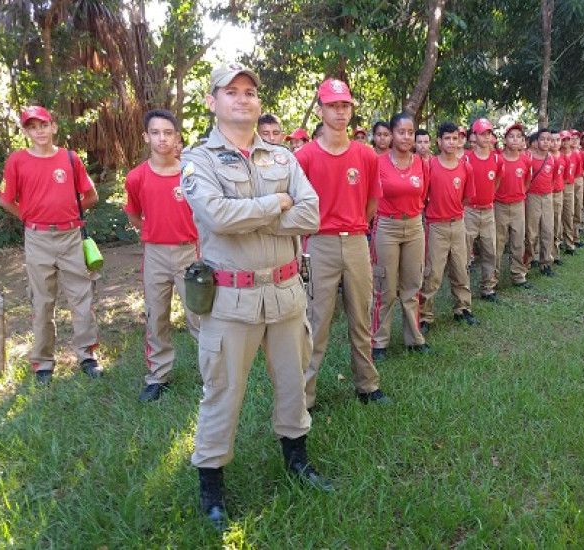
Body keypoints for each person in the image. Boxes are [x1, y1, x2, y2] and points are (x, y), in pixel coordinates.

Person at [181, 63, 329, 531]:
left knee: (293, 382)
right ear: (212, 100)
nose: (242, 99)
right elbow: (217, 216)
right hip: (231, 299)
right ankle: (211, 488)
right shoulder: (199, 160)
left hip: (286, 292)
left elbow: (311, 213)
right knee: (222, 390)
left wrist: (259, 214)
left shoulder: (284, 158)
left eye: (249, 92)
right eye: (231, 91)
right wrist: (275, 204)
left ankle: (297, 461)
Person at [295, 78, 391, 409]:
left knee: (361, 316)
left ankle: (367, 384)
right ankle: (305, 396)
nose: (339, 111)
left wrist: (354, 229)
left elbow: (371, 204)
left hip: (356, 243)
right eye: (333, 105)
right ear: (320, 110)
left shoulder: (366, 156)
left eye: (345, 105)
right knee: (315, 320)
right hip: (318, 243)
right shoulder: (304, 156)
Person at [0, 106, 102, 386]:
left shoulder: (70, 158)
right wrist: (32, 219)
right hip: (38, 239)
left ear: (53, 127)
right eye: (32, 127)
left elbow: (89, 195)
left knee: (82, 299)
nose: (39, 131)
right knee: (42, 302)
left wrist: (67, 215)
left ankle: (87, 356)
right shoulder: (18, 161)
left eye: (43, 125)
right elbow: (6, 200)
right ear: (26, 132)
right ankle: (43, 362)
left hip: (71, 237)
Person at [124, 109, 200, 402]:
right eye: (155, 133)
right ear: (146, 137)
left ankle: (213, 375)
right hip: (155, 254)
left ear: (177, 137)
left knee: (199, 315)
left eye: (168, 133)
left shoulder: (191, 174)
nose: (162, 138)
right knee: (156, 316)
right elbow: (133, 214)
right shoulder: (136, 177)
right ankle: (158, 377)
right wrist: (155, 233)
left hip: (190, 252)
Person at [370, 112, 430, 360]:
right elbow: (371, 198)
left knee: (412, 285)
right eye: (401, 132)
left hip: (415, 227)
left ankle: (414, 338)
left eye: (410, 132)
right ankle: (379, 342)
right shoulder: (378, 163)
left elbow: (423, 195)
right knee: (385, 287)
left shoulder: (422, 164)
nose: (406, 137)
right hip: (386, 227)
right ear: (391, 134)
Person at [419, 121, 479, 332]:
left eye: (455, 138)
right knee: (433, 272)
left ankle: (462, 308)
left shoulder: (465, 166)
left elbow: (467, 196)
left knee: (461, 268)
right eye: (447, 138)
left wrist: (454, 213)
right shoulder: (430, 165)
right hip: (436, 226)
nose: (451, 142)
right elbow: (423, 196)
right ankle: (425, 316)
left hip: (458, 223)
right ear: (439, 141)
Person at [464, 117, 502, 301]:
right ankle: (463, 291)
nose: (486, 137)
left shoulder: (497, 159)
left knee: (490, 251)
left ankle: (488, 287)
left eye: (489, 133)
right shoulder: (466, 159)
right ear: (474, 136)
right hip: (469, 211)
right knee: (464, 253)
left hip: (488, 211)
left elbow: (496, 182)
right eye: (482, 134)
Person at [494, 123, 531, 288]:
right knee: (497, 243)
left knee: (518, 242)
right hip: (499, 206)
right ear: (505, 140)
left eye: (518, 137)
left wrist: (519, 194)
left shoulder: (525, 160)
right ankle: (492, 279)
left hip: (518, 206)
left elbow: (527, 181)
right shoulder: (498, 159)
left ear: (523, 141)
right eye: (511, 136)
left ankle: (518, 275)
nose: (515, 139)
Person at [524, 129, 556, 277]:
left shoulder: (551, 158)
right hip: (533, 197)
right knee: (531, 232)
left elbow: (553, 178)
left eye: (548, 139)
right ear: (536, 142)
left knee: (548, 230)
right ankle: (528, 261)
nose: (545, 142)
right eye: (542, 139)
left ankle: (546, 263)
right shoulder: (529, 157)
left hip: (547, 196)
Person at [560, 131, 579, 255]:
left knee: (569, 214)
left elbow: (576, 171)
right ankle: (558, 242)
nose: (566, 142)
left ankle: (569, 243)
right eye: (563, 140)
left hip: (570, 187)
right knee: (557, 218)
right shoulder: (556, 155)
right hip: (557, 188)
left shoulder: (575, 155)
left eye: (568, 139)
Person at [550, 131, 565, 265]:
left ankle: (555, 253)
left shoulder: (563, 157)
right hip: (546, 194)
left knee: (556, 222)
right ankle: (539, 255)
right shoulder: (546, 157)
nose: (555, 143)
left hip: (558, 193)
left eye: (557, 140)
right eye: (552, 140)